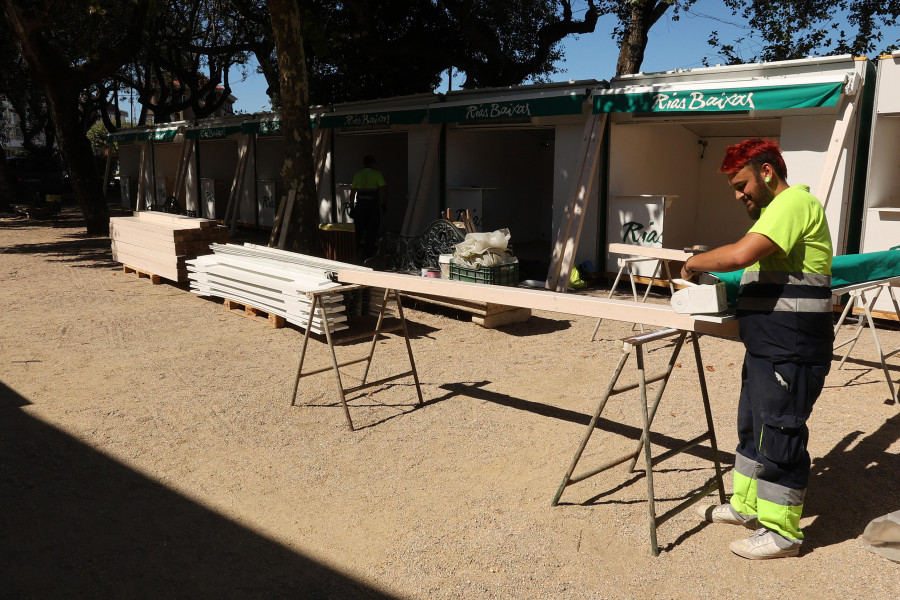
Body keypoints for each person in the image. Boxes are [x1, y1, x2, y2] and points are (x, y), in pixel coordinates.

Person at [681, 138, 833, 560]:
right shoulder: (773, 213)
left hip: (792, 349)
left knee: (781, 435)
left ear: (767, 172)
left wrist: (696, 262)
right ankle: (747, 506)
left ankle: (782, 533)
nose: (737, 194)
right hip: (769, 347)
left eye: (741, 183)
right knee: (754, 429)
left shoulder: (792, 205)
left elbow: (740, 255)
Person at [349, 155, 387, 261]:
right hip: (372, 206)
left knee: (359, 229)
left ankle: (357, 252)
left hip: (360, 206)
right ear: (372, 163)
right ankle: (368, 253)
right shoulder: (377, 174)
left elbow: (352, 192)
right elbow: (384, 189)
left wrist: (351, 205)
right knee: (372, 229)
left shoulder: (358, 175)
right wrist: (384, 203)